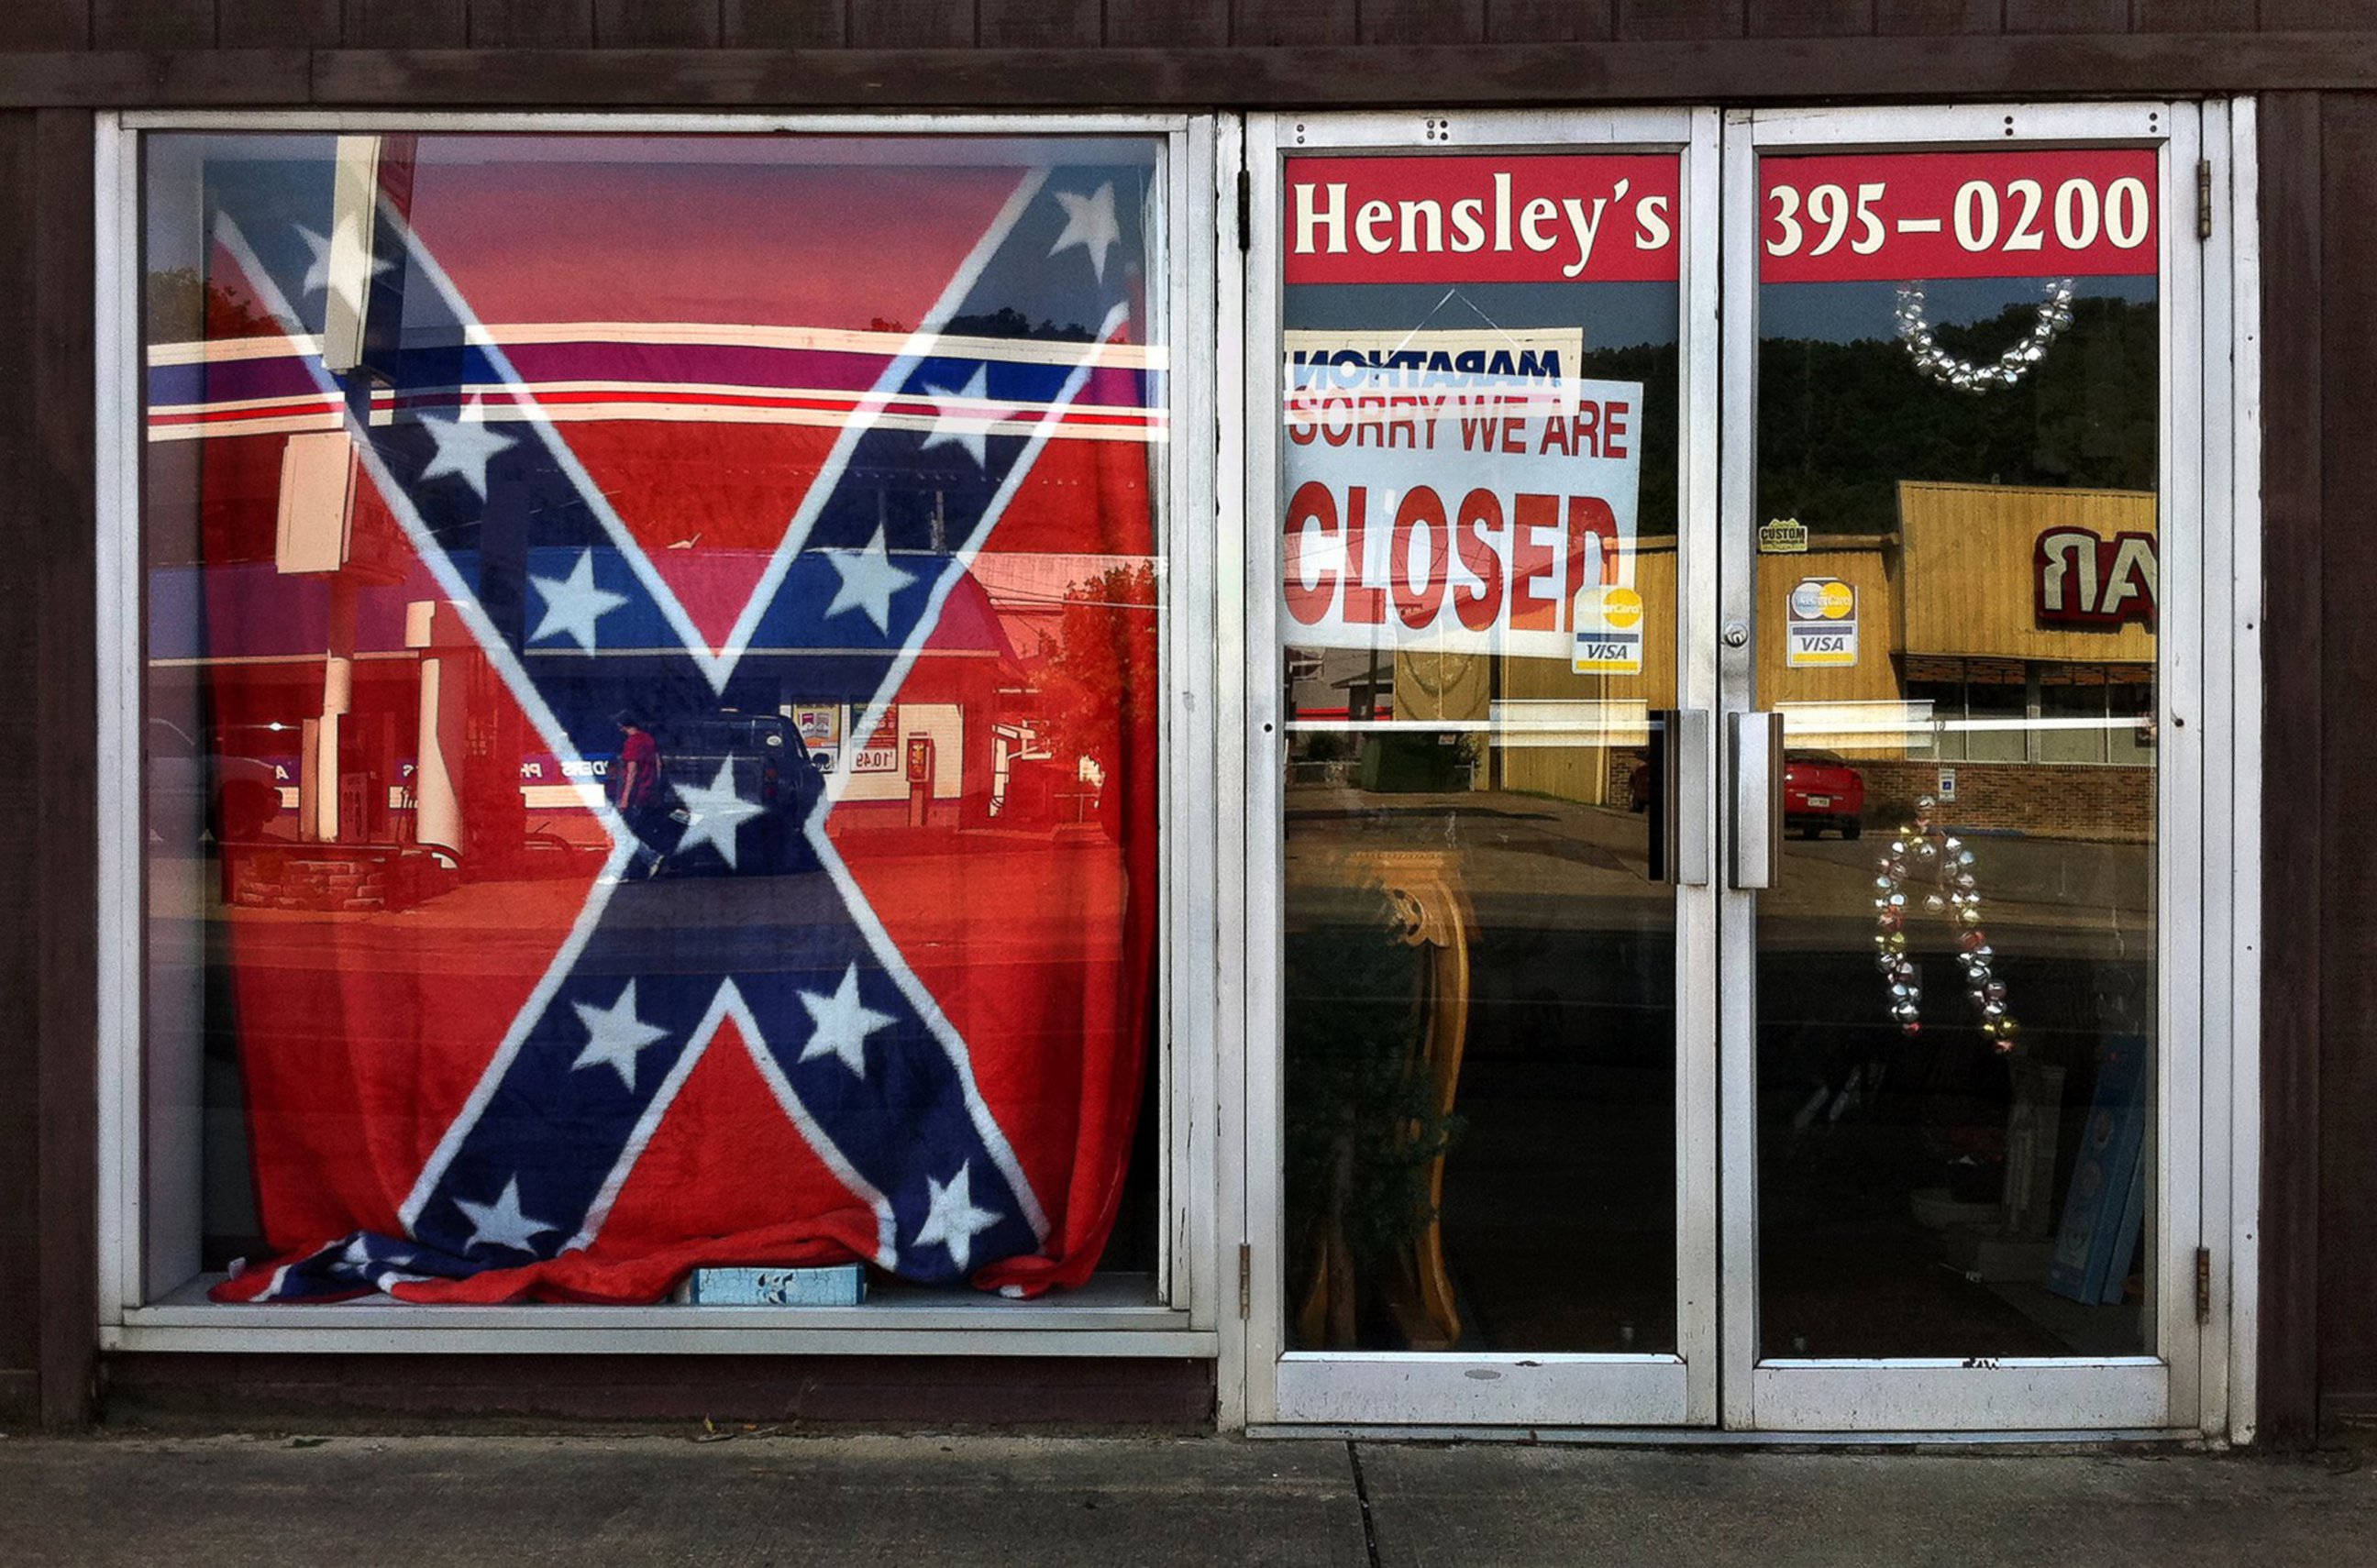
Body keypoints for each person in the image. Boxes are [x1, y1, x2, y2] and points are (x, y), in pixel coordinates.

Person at [611, 710, 667, 878]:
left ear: (622, 725)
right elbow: (658, 765)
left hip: (634, 795)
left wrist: (625, 799)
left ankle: (629, 869)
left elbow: (632, 771)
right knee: (629, 832)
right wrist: (655, 791)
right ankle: (648, 859)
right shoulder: (648, 739)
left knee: (620, 832)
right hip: (647, 794)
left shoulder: (632, 742)